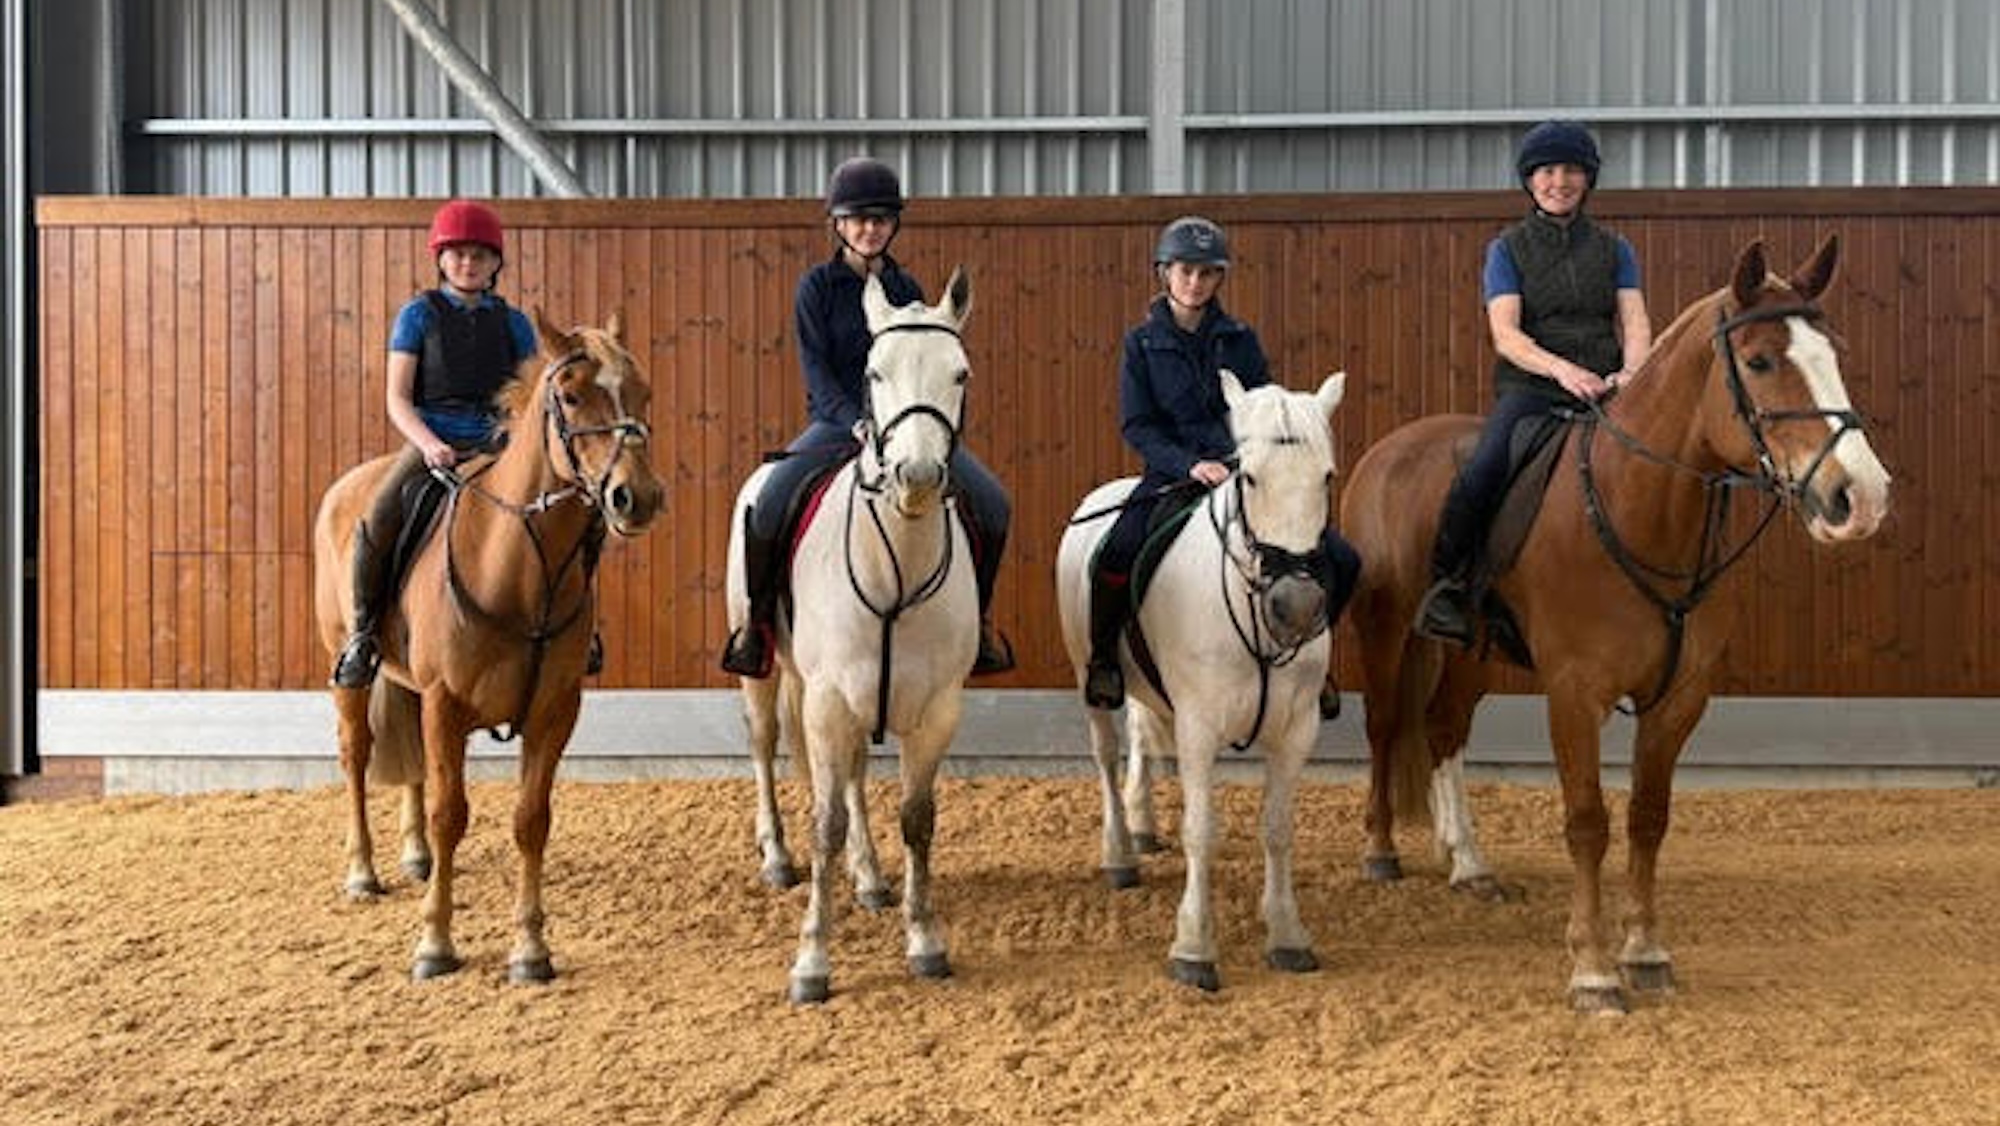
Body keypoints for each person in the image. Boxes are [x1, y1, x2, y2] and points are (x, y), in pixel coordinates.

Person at [720, 157, 1015, 679]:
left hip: (905, 430)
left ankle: (981, 624)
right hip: (838, 425)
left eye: (879, 219)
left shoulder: (908, 291)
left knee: (992, 503)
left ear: (893, 225)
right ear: (838, 224)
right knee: (768, 503)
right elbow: (817, 372)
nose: (869, 228)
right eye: (857, 218)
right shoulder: (816, 289)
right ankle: (757, 627)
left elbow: (923, 368)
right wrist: (856, 422)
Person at [1082, 216, 1361, 710]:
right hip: (1173, 476)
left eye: (1207, 273)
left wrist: (1243, 461)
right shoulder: (1140, 345)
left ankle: (1314, 662)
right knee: (1115, 554)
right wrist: (1190, 466)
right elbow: (1138, 426)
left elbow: (1261, 408)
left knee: (1341, 558)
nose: (1195, 283)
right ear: (1164, 273)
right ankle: (1105, 659)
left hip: (1243, 474)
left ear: (1218, 279)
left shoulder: (1240, 339)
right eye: (1185, 271)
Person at [1415, 120, 1654, 647]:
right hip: (1535, 391)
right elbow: (1506, 334)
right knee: (1483, 469)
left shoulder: (1616, 251)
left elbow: (1634, 322)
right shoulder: (1508, 250)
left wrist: (1632, 373)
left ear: (1587, 180)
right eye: (1547, 171)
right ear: (1530, 180)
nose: (1559, 181)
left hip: (1607, 389)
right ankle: (1449, 585)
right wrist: (1562, 370)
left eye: (1571, 171)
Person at [328, 199, 542, 688]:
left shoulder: (515, 324)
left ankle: (580, 634)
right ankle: (363, 635)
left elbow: (529, 399)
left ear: (495, 264)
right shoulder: (417, 316)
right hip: (434, 443)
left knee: (568, 516)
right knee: (378, 519)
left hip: (497, 448)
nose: (468, 264)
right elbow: (397, 398)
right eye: (458, 254)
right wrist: (428, 444)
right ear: (441, 259)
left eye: (480, 256)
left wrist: (511, 437)